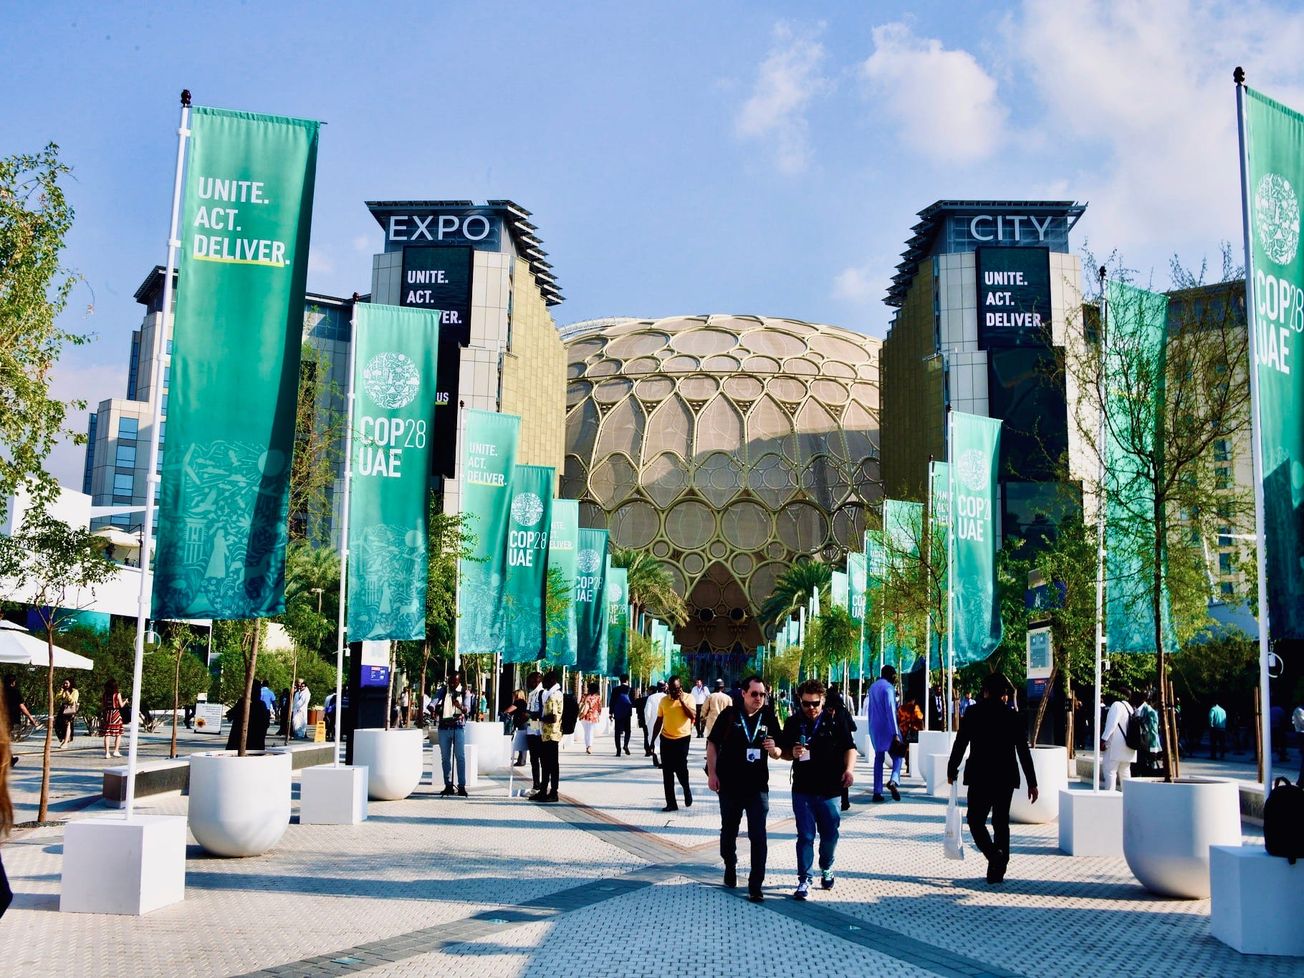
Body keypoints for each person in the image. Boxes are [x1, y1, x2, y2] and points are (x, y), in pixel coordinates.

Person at [947, 672, 1037, 884]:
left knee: (975, 821)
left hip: (980, 776)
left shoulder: (973, 713)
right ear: (1004, 695)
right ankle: (999, 866)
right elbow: (1024, 752)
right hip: (1005, 777)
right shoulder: (1012, 717)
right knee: (1000, 822)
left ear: (985, 691)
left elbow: (960, 743)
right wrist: (1032, 782)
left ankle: (993, 855)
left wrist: (952, 768)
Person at [707, 674, 780, 904]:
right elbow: (712, 743)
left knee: (758, 835)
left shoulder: (768, 715)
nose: (759, 698)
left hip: (758, 787)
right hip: (729, 785)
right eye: (754, 694)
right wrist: (712, 773)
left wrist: (774, 749)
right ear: (744, 694)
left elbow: (780, 750)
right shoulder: (729, 714)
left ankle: (755, 885)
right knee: (729, 831)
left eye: (762, 694)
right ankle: (730, 864)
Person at [780, 680, 856, 900]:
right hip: (803, 789)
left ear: (822, 700)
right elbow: (783, 751)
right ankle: (804, 878)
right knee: (805, 836)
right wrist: (791, 753)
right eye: (806, 704)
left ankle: (826, 866)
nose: (810, 708)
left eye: (815, 704)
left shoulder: (835, 719)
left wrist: (849, 771)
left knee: (831, 834)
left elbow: (849, 748)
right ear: (800, 701)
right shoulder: (794, 722)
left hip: (831, 789)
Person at [652, 676, 696, 811]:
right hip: (666, 739)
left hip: (682, 739)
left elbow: (693, 715)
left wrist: (682, 701)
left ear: (681, 687)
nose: (674, 692)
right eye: (671, 689)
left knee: (681, 769)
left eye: (677, 689)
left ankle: (686, 789)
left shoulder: (689, 698)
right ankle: (671, 803)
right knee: (667, 771)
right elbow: (659, 721)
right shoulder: (664, 701)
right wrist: (652, 740)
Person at [431, 670, 474, 797]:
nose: (452, 684)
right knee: (445, 758)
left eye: (454, 682)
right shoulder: (443, 690)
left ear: (459, 681)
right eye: (450, 682)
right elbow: (434, 701)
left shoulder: (465, 692)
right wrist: (432, 708)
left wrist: (459, 706)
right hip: (444, 727)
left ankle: (462, 786)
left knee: (460, 757)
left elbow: (467, 709)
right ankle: (448, 785)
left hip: (458, 727)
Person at [867, 665, 904, 802]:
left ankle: (877, 791)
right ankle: (894, 780)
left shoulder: (872, 687)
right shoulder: (888, 688)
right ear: (891, 675)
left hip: (874, 727)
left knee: (878, 759)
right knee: (898, 756)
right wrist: (895, 732)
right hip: (888, 727)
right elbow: (890, 710)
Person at [532, 670, 564, 803]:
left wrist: (540, 718)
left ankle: (553, 792)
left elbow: (553, 717)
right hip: (547, 734)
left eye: (544, 680)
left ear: (552, 681)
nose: (542, 682)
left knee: (551, 765)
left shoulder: (553, 696)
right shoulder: (553, 694)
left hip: (551, 734)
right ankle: (544, 790)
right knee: (546, 764)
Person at [825, 686, 858, 811]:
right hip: (846, 745)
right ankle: (845, 801)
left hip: (834, 745)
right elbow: (853, 727)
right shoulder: (843, 710)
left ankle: (837, 800)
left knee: (837, 773)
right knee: (845, 773)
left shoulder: (827, 711)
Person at [1101, 690, 1136, 791]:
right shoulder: (1131, 708)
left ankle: (1109, 797)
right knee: (1125, 774)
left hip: (1115, 747)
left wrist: (1103, 739)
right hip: (1129, 747)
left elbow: (1111, 725)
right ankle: (1128, 799)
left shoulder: (1116, 705)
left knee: (1110, 772)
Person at [225, 685, 270, 751]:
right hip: (250, 741)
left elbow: (230, 715)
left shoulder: (258, 704)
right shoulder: (257, 704)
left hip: (248, 740)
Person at [524, 671, 545, 793]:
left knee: (540, 758)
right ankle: (535, 784)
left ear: (537, 680)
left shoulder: (541, 693)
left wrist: (529, 714)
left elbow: (541, 713)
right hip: (532, 728)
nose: (529, 683)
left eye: (531, 680)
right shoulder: (531, 693)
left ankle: (541, 785)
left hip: (539, 729)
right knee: (533, 759)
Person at [1134, 690, 1161, 776]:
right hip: (1137, 747)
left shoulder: (1150, 712)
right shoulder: (1134, 709)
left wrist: (1153, 750)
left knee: (1146, 772)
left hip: (1147, 748)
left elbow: (1153, 732)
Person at [608, 675, 634, 756]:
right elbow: (632, 702)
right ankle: (625, 745)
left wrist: (611, 712)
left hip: (618, 712)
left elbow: (612, 701)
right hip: (627, 713)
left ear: (620, 680)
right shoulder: (631, 689)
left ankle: (618, 751)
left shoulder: (615, 689)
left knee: (617, 732)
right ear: (627, 680)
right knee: (628, 730)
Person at [643, 681, 666, 767]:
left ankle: (655, 756)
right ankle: (662, 759)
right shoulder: (667, 698)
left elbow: (647, 712)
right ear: (665, 688)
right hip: (665, 722)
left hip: (652, 722)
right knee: (663, 741)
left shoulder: (651, 698)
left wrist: (647, 722)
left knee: (654, 740)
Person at [101, 679, 125, 759]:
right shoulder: (117, 694)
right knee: (118, 734)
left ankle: (107, 753)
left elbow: (103, 705)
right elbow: (121, 705)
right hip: (116, 714)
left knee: (107, 735)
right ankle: (116, 751)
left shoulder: (104, 695)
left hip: (107, 715)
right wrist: (125, 702)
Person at [504, 688, 529, 766]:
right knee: (523, 741)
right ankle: (522, 760)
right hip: (524, 723)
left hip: (521, 723)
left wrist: (504, 713)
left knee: (520, 741)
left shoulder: (519, 702)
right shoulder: (524, 702)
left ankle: (521, 761)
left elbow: (508, 710)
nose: (513, 697)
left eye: (514, 695)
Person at [55, 678, 79, 749]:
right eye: (64, 683)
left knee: (68, 725)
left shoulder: (75, 691)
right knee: (58, 725)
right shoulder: (63, 690)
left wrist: (68, 694)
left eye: (67, 683)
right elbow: (56, 698)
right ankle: (64, 739)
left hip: (69, 709)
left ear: (70, 684)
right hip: (62, 708)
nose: (65, 685)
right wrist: (61, 692)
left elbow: (72, 701)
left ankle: (65, 742)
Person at [578, 682, 602, 754]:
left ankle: (587, 746)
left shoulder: (584, 696)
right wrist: (599, 714)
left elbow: (580, 705)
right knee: (590, 732)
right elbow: (599, 708)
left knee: (586, 732)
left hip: (584, 716)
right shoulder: (598, 697)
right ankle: (589, 746)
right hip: (593, 717)